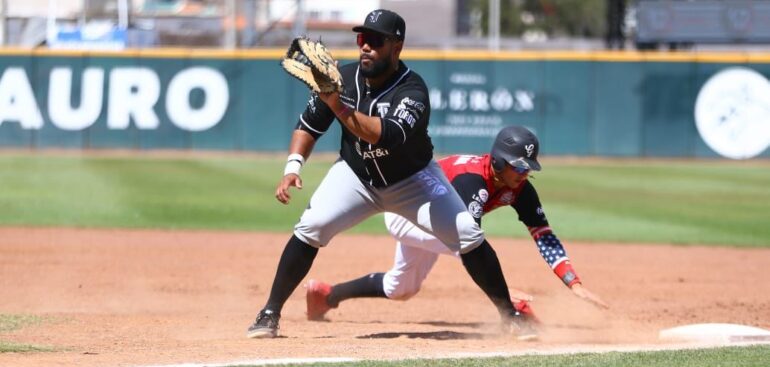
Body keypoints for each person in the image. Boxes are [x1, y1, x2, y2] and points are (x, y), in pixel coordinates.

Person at [247, 9, 536, 340]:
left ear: (396, 47)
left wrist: (335, 103)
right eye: (361, 39)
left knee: (468, 233)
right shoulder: (341, 79)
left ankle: (510, 316)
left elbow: (382, 135)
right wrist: (292, 167)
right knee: (310, 227)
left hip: (413, 180)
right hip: (356, 175)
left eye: (375, 40)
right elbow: (308, 126)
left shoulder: (413, 90)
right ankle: (269, 312)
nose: (366, 47)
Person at [304, 125, 609, 324]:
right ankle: (510, 314)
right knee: (472, 241)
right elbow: (466, 242)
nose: (524, 174)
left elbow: (543, 235)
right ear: (500, 161)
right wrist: (503, 291)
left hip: (434, 221)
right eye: (518, 167)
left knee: (402, 289)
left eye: (529, 168)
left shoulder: (519, 188)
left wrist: (575, 284)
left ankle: (326, 295)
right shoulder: (472, 181)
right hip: (403, 214)